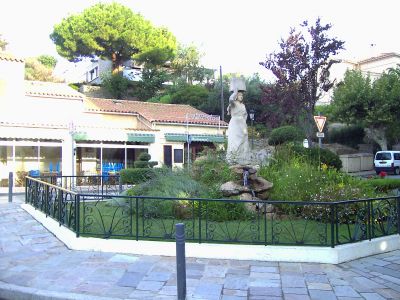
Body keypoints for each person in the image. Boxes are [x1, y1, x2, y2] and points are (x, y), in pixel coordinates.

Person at [226, 88, 250, 165]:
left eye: (242, 95)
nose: (241, 96)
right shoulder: (233, 104)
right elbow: (230, 99)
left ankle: (243, 158)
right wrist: (235, 92)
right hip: (235, 123)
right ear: (236, 96)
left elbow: (245, 115)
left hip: (242, 124)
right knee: (234, 140)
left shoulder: (243, 105)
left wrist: (244, 122)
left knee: (245, 138)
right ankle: (233, 158)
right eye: (239, 95)